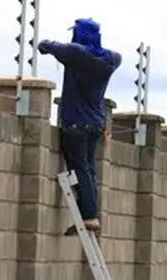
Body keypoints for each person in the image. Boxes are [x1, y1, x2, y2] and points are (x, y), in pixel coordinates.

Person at [38, 18, 122, 235]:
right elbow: (115, 56)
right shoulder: (110, 59)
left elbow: (48, 46)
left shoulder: (76, 54)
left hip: (75, 121)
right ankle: (90, 212)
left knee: (80, 168)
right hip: (96, 123)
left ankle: (88, 216)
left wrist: (45, 44)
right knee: (89, 169)